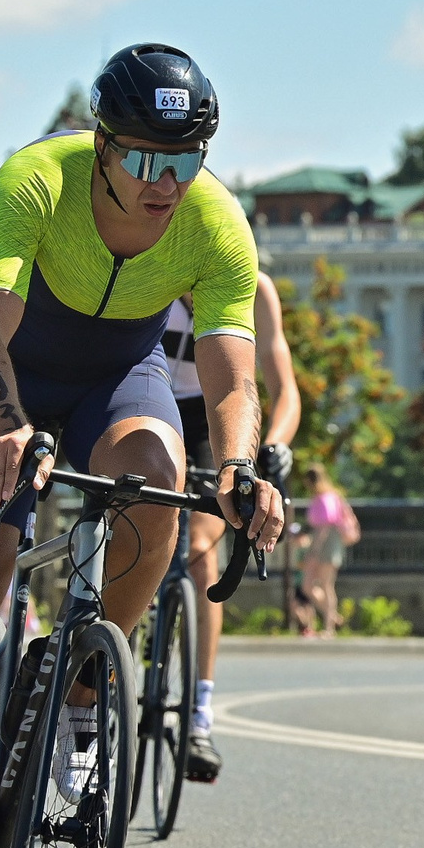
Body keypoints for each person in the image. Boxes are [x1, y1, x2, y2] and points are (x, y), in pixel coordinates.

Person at [0, 43, 286, 848]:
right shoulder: (37, 178)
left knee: (159, 476)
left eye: (185, 160)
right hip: (3, 381)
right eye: (145, 158)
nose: (165, 183)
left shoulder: (215, 220)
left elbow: (231, 375)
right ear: (103, 145)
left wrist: (238, 470)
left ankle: (85, 681)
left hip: (118, 378)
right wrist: (5, 430)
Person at [158, 275, 300, 778]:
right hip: (149, 404)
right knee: (128, 530)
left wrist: (276, 444)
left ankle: (200, 711)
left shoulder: (253, 287)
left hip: (211, 417)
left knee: (201, 550)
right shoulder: (158, 259)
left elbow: (284, 389)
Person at [300, 464, 360, 636]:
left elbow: (324, 527)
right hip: (321, 541)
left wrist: (314, 550)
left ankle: (329, 627)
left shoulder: (325, 498)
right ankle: (332, 616)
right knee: (308, 585)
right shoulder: (327, 496)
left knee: (326, 584)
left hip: (327, 542)